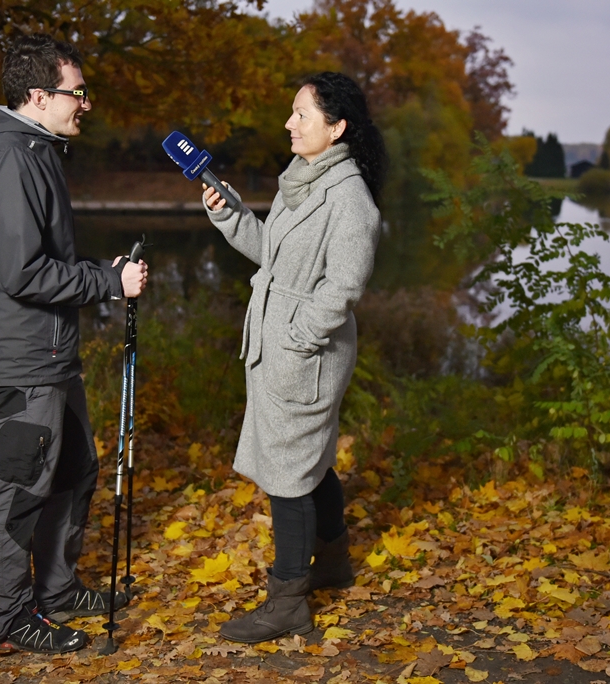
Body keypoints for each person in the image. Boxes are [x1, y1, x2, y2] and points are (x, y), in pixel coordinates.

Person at [0, 33, 148, 654]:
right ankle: (11, 617)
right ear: (39, 96)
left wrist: (101, 270)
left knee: (72, 470)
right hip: (19, 361)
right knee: (18, 491)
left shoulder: (36, 151)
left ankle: (57, 590)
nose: (86, 103)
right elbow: (21, 273)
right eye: (77, 92)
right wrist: (108, 283)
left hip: (51, 356)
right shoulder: (9, 159)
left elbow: (43, 260)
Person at [202, 71, 386, 643]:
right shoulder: (301, 180)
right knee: (310, 462)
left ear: (337, 127)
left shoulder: (349, 199)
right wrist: (230, 213)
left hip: (305, 352)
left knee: (287, 475)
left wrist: (298, 335)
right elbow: (272, 254)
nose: (289, 123)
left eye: (302, 114)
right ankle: (333, 563)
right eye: (292, 112)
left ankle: (287, 603)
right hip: (280, 345)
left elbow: (345, 286)